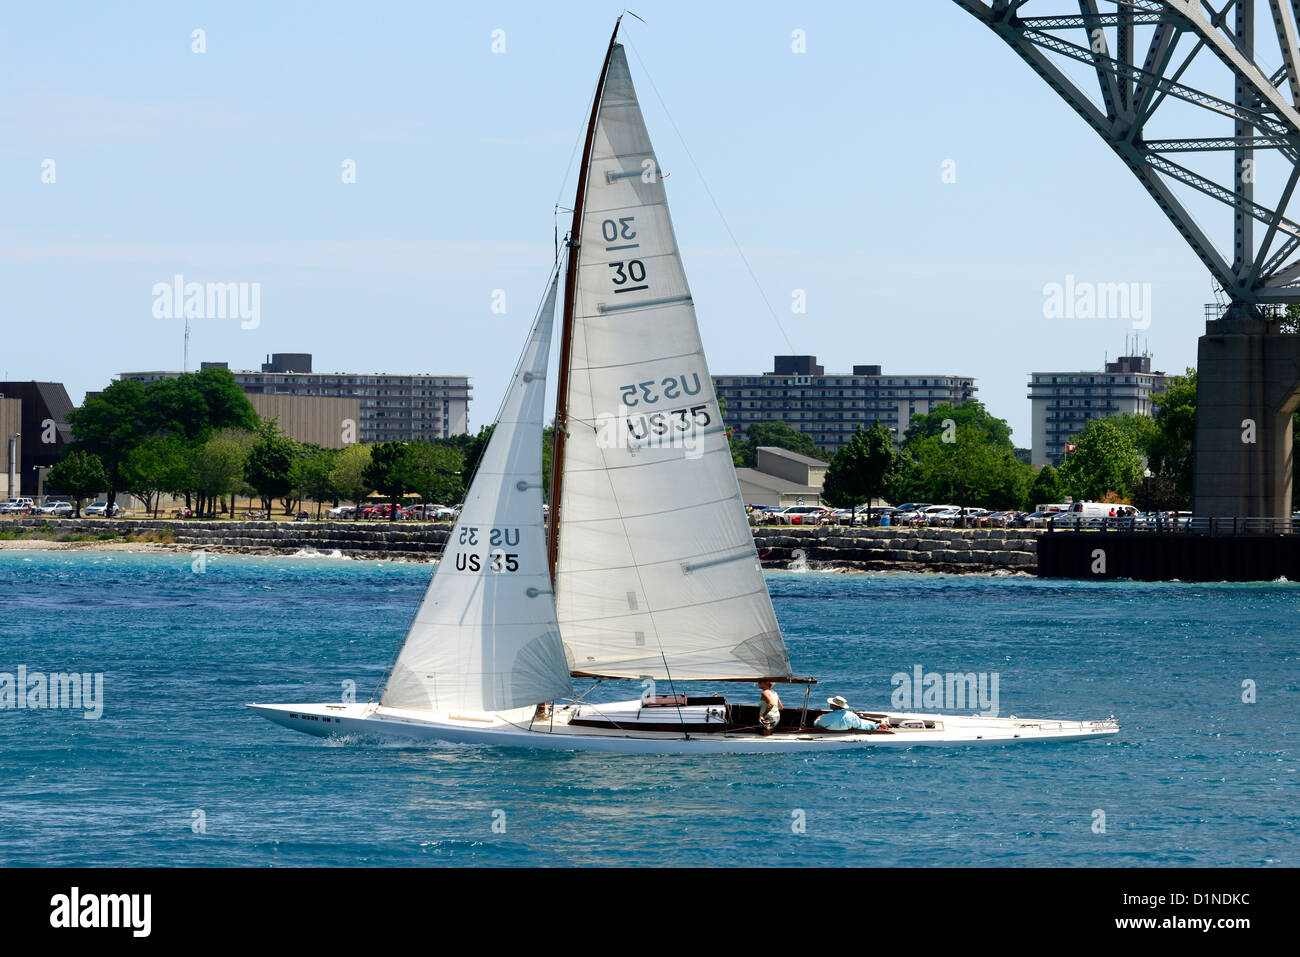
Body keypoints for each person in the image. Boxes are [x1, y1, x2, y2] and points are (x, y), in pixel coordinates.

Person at [814, 695, 888, 731]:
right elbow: (862, 726)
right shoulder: (852, 716)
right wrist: (877, 725)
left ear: (834, 705)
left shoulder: (825, 717)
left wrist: (818, 719)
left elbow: (816, 725)